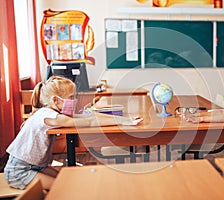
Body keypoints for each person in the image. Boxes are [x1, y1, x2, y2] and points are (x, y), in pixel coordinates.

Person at [4, 76, 142, 191]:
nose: (74, 101)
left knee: (66, 180)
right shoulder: (46, 115)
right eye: (71, 97)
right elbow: (89, 121)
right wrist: (91, 118)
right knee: (63, 187)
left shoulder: (55, 113)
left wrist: (125, 121)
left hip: (37, 167)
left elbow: (93, 118)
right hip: (19, 172)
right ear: (55, 100)